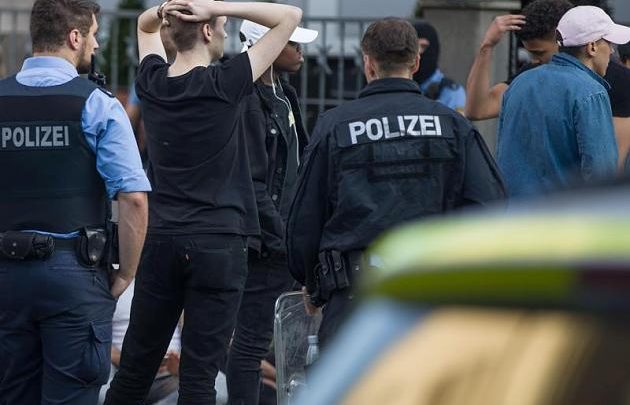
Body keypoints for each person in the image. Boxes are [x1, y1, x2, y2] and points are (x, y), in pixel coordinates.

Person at [104, 1, 303, 404]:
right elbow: (290, 17)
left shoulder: (154, 82)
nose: (226, 32)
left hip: (163, 240)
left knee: (134, 373)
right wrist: (214, 6)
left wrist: (170, 8)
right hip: (220, 243)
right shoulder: (227, 81)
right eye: (223, 25)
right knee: (199, 381)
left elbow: (144, 26)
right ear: (207, 30)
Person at [286, 17, 506, 348]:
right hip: (433, 293)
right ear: (416, 62)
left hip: (354, 294)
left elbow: (305, 217)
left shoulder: (335, 126)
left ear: (368, 63)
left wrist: (311, 282)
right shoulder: (453, 125)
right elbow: (489, 207)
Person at [0, 0, 150, 403]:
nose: (97, 45)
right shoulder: (97, 103)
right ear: (74, 37)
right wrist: (125, 275)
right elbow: (133, 198)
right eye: (94, 35)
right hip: (74, 275)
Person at [226, 19, 317, 405]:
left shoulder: (285, 93)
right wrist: (281, 237)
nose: (301, 51)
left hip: (284, 240)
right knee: (250, 344)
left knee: (274, 342)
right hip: (267, 244)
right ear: (267, 43)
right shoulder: (248, 99)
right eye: (293, 43)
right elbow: (253, 182)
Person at [496, 6, 630, 198]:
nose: (611, 51)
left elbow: (503, 154)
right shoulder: (591, 91)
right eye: (609, 44)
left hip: (513, 210)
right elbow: (601, 172)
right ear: (592, 47)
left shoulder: (520, 82)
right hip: (563, 212)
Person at [412, 21, 466, 113]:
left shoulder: (451, 92)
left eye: (423, 46)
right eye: (414, 47)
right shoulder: (400, 88)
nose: (419, 52)